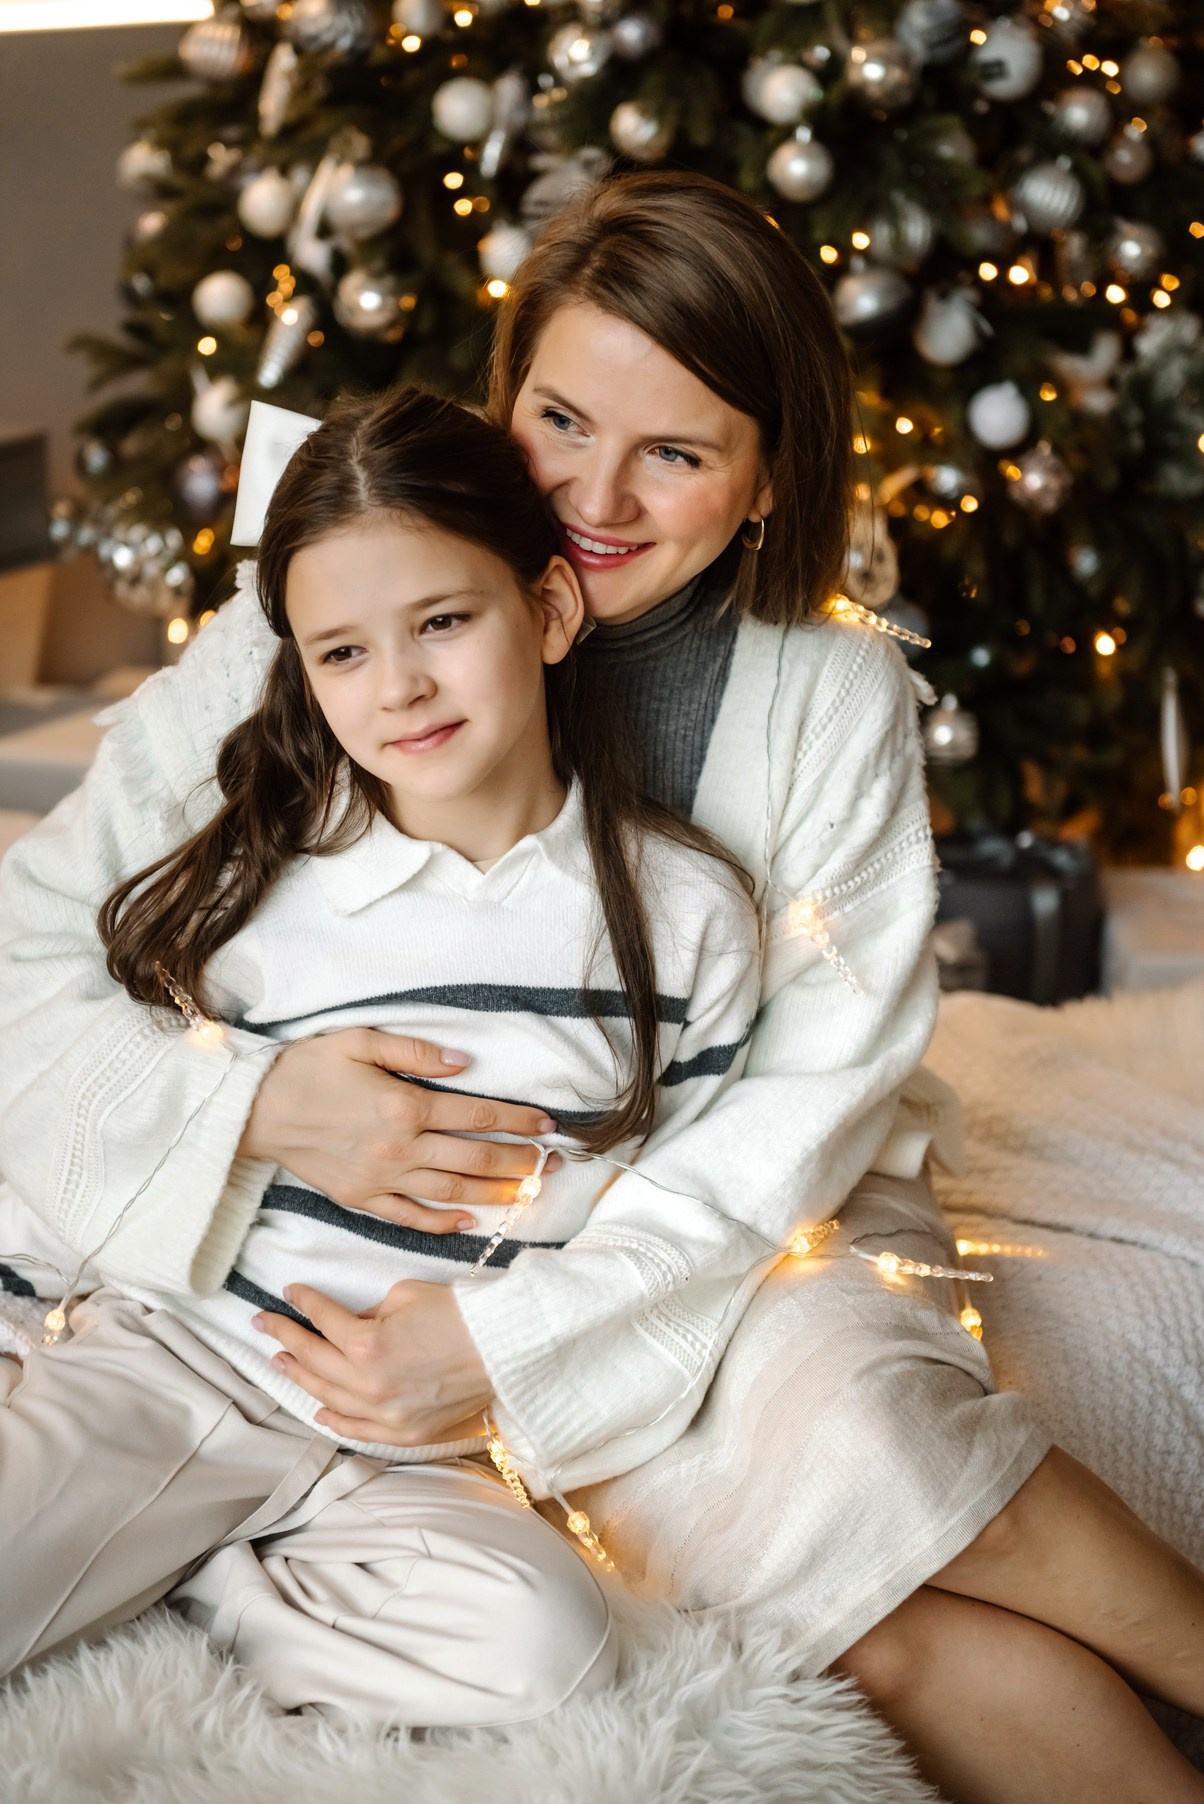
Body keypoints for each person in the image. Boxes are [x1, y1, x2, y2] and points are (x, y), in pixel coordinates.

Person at [1, 172, 1201, 1800]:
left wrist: (513, 1340)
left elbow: (798, 1099)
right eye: (560, 419)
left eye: (679, 455)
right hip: (363, 1256)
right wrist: (257, 1101)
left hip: (738, 1207)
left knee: (856, 1439)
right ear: (506, 395)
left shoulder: (824, 696)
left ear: (772, 481)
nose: (593, 496)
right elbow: (39, 936)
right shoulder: (329, 613)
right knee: (862, 1616)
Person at [0, 382, 777, 1722]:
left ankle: (216, 1589)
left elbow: (681, 1203)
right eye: (342, 653)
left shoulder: (687, 915)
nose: (400, 685)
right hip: (188, 1364)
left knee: (559, 1656)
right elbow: (89, 1075)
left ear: (546, 609)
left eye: (442, 622)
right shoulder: (264, 873)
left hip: (421, 1446)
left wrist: (505, 1352)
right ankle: (156, 1532)